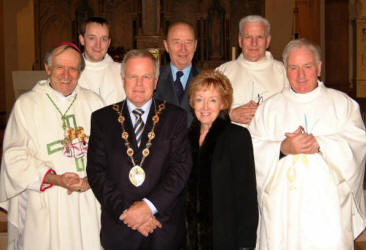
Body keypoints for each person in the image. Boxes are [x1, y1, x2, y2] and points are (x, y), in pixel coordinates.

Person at [249, 38, 366, 250]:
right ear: (285, 69)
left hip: (328, 210)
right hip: (281, 210)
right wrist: (282, 148)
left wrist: (320, 144)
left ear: (319, 68)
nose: (300, 75)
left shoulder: (342, 104)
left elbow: (357, 144)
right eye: (293, 68)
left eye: (307, 67)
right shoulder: (269, 109)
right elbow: (251, 150)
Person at [0, 42, 104, 250]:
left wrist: (90, 180)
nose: (66, 75)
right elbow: (14, 158)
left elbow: (109, 152)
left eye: (73, 68)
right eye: (60, 67)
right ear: (47, 69)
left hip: (88, 202)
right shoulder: (27, 105)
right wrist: (56, 179)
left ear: (80, 72)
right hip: (46, 202)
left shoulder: (94, 103)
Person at [86, 49, 192, 250]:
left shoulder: (174, 117)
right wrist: (129, 213)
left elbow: (180, 169)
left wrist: (148, 207)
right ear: (123, 78)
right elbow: (96, 172)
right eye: (133, 76)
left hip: (162, 228)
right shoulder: (102, 119)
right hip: (120, 229)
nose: (139, 84)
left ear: (156, 80)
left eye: (146, 77)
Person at [187, 70, 258, 250]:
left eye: (212, 100)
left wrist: (245, 244)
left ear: (223, 103)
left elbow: (246, 196)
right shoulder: (184, 139)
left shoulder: (237, 137)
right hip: (188, 239)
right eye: (199, 99)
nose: (205, 107)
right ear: (192, 102)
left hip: (225, 237)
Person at [217, 15, 287, 126]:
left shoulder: (284, 72)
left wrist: (264, 113)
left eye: (259, 37)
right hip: (232, 141)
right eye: (248, 37)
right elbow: (206, 111)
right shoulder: (222, 72)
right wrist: (230, 115)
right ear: (240, 41)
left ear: (268, 41)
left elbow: (295, 109)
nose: (254, 43)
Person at [154, 21, 200, 126]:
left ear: (195, 45)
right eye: (177, 42)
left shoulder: (207, 80)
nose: (183, 49)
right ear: (166, 46)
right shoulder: (152, 78)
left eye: (188, 42)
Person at [78, 16, 125, 105]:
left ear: (109, 43)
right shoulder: (70, 72)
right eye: (92, 38)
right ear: (82, 40)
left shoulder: (122, 71)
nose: (98, 45)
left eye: (104, 39)